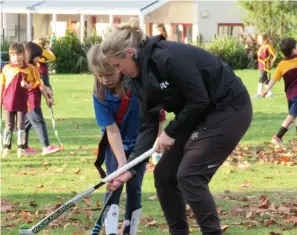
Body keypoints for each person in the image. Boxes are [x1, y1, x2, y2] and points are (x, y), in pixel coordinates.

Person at [99, 18, 253, 235]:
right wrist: (129, 169)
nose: (119, 71)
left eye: (117, 65)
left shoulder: (168, 57)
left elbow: (200, 99)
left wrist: (170, 131)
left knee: (189, 174)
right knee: (164, 175)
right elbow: (148, 125)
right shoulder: (137, 79)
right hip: (197, 113)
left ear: (130, 53)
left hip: (228, 108)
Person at [87, 44, 149, 235]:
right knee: (113, 186)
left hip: (140, 145)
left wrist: (131, 166)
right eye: (100, 75)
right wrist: (122, 165)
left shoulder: (138, 86)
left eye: (109, 74)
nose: (105, 79)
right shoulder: (100, 95)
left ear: (118, 66)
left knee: (134, 188)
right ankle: (111, 231)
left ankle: (130, 230)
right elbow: (112, 131)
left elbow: (155, 119)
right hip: (114, 146)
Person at [23, 42, 60, 155]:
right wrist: (47, 98)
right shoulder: (32, 68)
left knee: (26, 124)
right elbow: (39, 85)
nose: (39, 58)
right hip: (32, 101)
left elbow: (41, 83)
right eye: (38, 56)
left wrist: (47, 90)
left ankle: (23, 147)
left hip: (27, 101)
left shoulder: (29, 67)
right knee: (39, 122)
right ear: (31, 55)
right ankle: (46, 146)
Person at [0, 42, 36, 157]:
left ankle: (21, 148)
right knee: (8, 126)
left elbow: (33, 84)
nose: (17, 57)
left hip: (22, 103)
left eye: (19, 54)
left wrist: (26, 85)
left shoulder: (29, 69)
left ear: (24, 55)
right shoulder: (6, 69)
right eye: (14, 55)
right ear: (10, 57)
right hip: (8, 103)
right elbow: (2, 85)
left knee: (21, 126)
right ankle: (7, 148)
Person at [262, 37, 297, 145]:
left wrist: (266, 90)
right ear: (294, 50)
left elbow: (273, 79)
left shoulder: (281, 65)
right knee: (290, 117)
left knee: (295, 116)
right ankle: (278, 137)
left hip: (290, 96)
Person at [253, 33, 277, 99]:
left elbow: (275, 54)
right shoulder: (261, 47)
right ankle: (270, 93)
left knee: (261, 78)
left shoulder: (267, 46)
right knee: (265, 80)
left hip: (265, 66)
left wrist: (272, 62)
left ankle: (259, 93)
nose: (258, 40)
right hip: (260, 65)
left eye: (259, 39)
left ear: (263, 39)